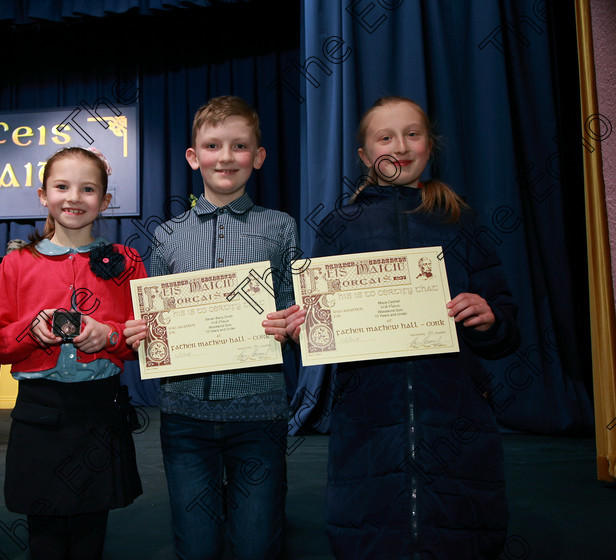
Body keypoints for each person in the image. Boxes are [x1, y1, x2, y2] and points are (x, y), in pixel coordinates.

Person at [287, 96, 521, 559]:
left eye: (413, 134)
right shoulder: (339, 227)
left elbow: (506, 326)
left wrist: (489, 318)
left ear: (429, 145)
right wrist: (304, 330)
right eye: (385, 137)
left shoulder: (460, 220)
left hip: (455, 413)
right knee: (369, 532)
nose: (400, 146)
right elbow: (322, 330)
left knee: (465, 532)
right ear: (363, 155)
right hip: (367, 416)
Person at [125, 96, 301, 560]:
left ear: (258, 157)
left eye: (240, 145)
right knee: (196, 544)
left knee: (257, 544)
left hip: (259, 411)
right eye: (213, 145)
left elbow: (294, 308)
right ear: (193, 156)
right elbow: (154, 319)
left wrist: (292, 323)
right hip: (184, 416)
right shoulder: (167, 234)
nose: (226, 156)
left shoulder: (281, 228)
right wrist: (144, 333)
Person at [0, 146, 145, 560]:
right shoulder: (17, 262)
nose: (74, 197)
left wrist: (110, 337)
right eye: (62, 186)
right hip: (39, 411)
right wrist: (31, 332)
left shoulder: (127, 262)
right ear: (43, 195)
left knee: (92, 530)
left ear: (105, 201)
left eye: (88, 189)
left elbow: (146, 338)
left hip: (99, 410)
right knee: (45, 535)